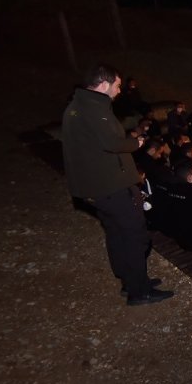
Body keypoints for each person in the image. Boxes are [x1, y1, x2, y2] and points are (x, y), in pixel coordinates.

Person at [61, 64, 172, 306]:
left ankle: (130, 281)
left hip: (98, 185)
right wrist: (136, 141)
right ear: (104, 84)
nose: (120, 90)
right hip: (111, 185)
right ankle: (139, 291)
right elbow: (111, 142)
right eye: (117, 85)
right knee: (134, 235)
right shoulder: (93, 109)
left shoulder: (79, 105)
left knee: (116, 233)